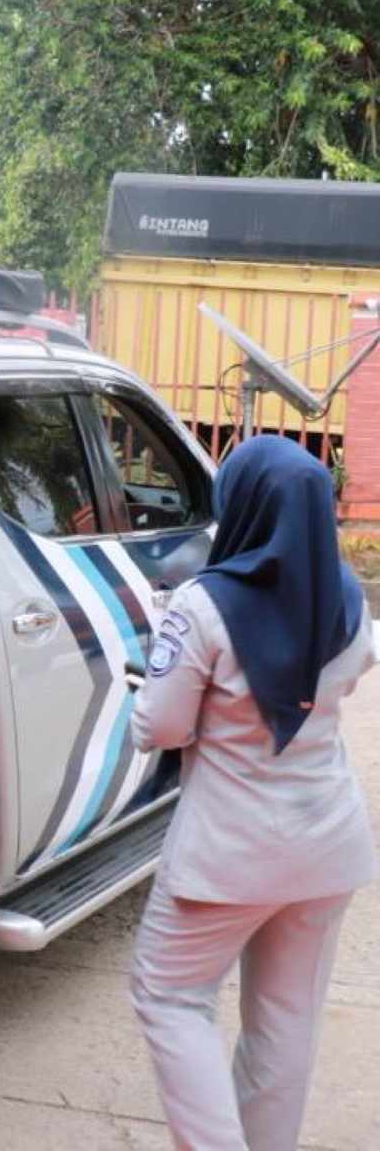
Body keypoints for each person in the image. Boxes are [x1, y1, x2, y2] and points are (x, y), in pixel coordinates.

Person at [128, 435, 375, 1151]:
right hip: (326, 846)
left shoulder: (202, 604)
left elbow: (162, 729)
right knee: (285, 1020)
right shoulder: (348, 600)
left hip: (227, 853)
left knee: (169, 996)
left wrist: (144, 695)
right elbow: (344, 680)